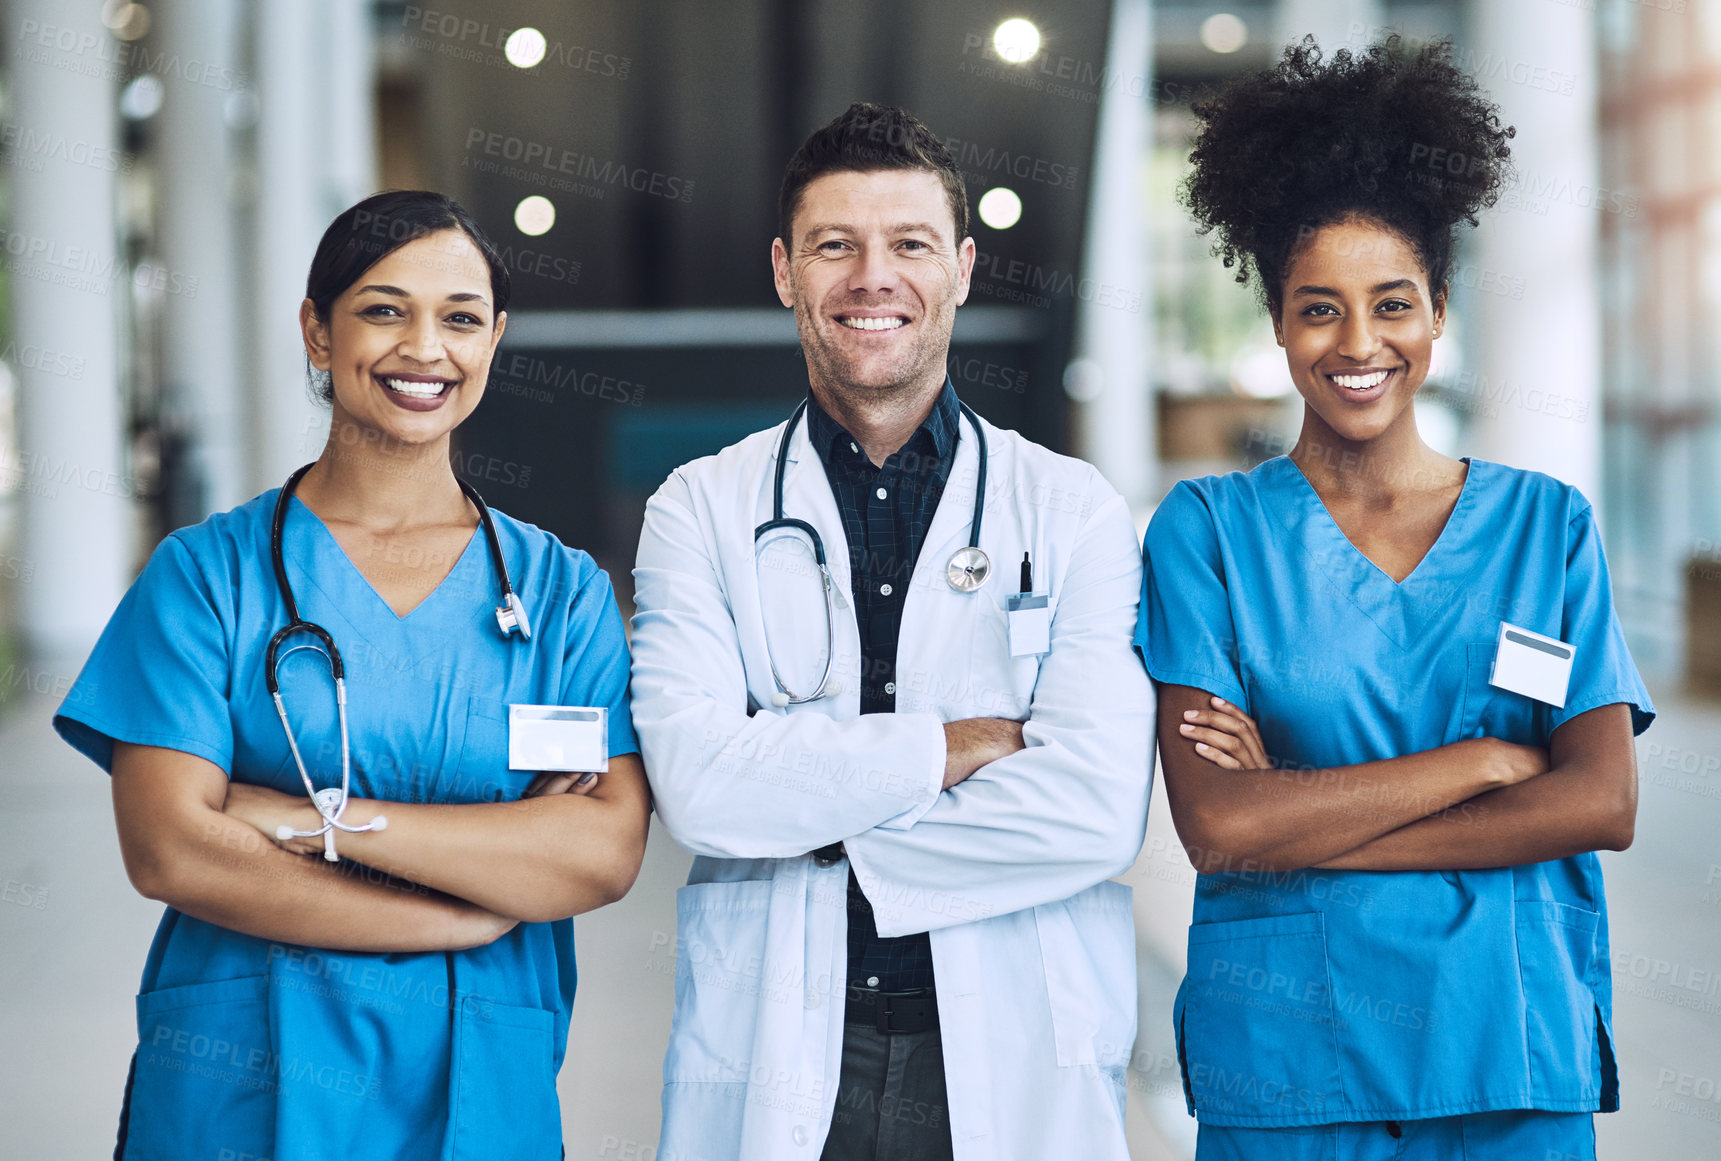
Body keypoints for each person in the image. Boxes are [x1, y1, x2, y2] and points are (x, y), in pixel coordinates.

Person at [54, 190, 650, 1160]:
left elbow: (597, 854)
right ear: (317, 333)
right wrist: (454, 920)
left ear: (493, 340)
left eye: (459, 318)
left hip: (479, 1078)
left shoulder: (559, 593)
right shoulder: (208, 577)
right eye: (383, 309)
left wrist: (300, 819)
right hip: (243, 1075)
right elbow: (172, 849)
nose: (425, 347)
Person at [1140, 39, 1655, 1161]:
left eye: (1391, 305)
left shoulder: (1545, 526)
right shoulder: (1210, 533)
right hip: (1286, 1058)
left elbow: (1599, 805)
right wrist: (1477, 764)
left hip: (1507, 1050)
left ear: (1435, 314)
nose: (1357, 344)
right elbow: (1218, 824)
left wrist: (1301, 821)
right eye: (1317, 309)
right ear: (1275, 323)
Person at [628, 103, 1152, 1161]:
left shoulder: (1071, 508)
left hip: (1006, 1042)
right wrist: (955, 748)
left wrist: (801, 809)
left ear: (959, 268)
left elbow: (1094, 809)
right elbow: (697, 788)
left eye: (908, 245)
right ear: (785, 271)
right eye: (835, 246)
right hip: (777, 1043)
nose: (873, 278)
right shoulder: (699, 507)